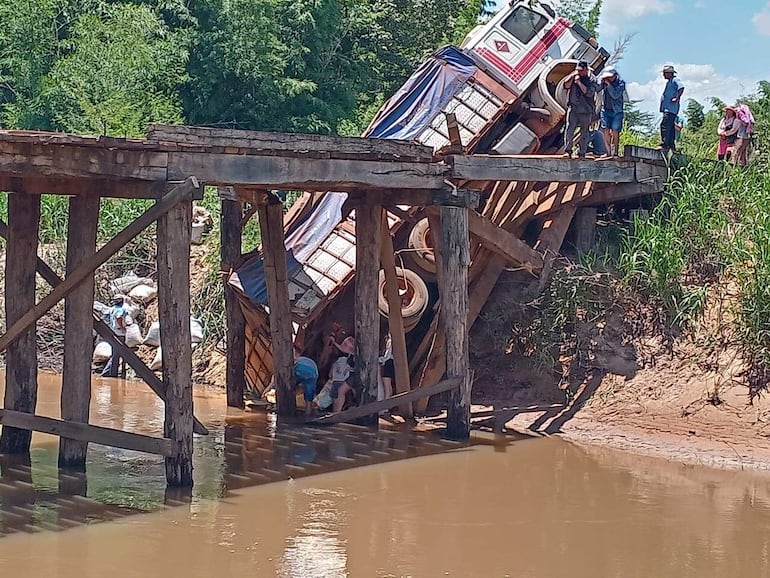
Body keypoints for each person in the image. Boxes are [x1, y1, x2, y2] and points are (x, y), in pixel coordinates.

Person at [563, 61, 601, 159]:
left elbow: (589, 93)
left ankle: (582, 153)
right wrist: (572, 77)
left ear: (586, 70)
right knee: (569, 129)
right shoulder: (574, 76)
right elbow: (566, 85)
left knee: (584, 132)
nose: (579, 72)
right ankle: (568, 151)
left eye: (581, 71)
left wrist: (579, 83)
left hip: (586, 110)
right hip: (573, 108)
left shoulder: (592, 79)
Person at [600, 67, 626, 157]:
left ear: (615, 75)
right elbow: (596, 89)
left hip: (616, 111)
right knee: (605, 130)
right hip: (605, 109)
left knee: (615, 131)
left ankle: (616, 152)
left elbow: (615, 95)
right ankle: (608, 152)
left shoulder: (621, 84)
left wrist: (608, 85)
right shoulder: (605, 83)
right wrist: (601, 82)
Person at [659, 65, 685, 153]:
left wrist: (677, 98)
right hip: (669, 108)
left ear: (669, 73)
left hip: (670, 109)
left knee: (665, 126)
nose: (663, 75)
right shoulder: (670, 82)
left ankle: (665, 144)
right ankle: (671, 146)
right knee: (670, 127)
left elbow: (681, 87)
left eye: (665, 73)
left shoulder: (675, 80)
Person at [101, 295, 127, 378]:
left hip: (112, 333)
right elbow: (119, 317)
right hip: (119, 334)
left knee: (115, 354)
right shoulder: (120, 309)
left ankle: (109, 373)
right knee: (116, 355)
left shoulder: (111, 309)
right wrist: (122, 328)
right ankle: (111, 374)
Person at [329, 336, 356, 413]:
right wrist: (334, 342)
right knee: (339, 392)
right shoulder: (350, 355)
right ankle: (336, 412)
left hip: (352, 376)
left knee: (341, 391)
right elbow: (342, 349)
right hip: (348, 376)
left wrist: (351, 369)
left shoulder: (353, 356)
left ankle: (337, 412)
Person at [293, 349, 319, 416]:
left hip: (300, 368)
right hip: (313, 373)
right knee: (309, 396)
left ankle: (290, 409)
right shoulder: (304, 359)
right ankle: (308, 412)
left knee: (291, 387)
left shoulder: (297, 360)